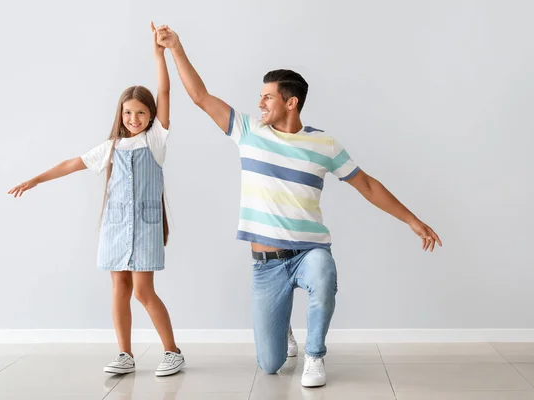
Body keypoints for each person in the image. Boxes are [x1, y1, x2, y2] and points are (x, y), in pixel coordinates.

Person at [154, 24, 442, 387]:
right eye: (260, 97)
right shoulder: (248, 131)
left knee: (324, 276)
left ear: (291, 102)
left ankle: (315, 356)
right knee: (270, 364)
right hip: (266, 265)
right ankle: (284, 328)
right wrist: (175, 47)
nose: (259, 103)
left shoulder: (325, 144)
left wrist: (412, 221)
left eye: (267, 97)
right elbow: (199, 96)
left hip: (309, 251)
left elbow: (366, 184)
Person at [7, 23, 186, 377]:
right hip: (116, 227)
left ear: (151, 115)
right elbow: (72, 163)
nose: (133, 119)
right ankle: (125, 354)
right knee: (119, 288)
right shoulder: (111, 147)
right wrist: (36, 180)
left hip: (146, 226)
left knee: (143, 292)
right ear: (120, 115)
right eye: (127, 113)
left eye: (140, 112)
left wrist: (159, 53)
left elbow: (164, 90)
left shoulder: (156, 141)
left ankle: (172, 351)